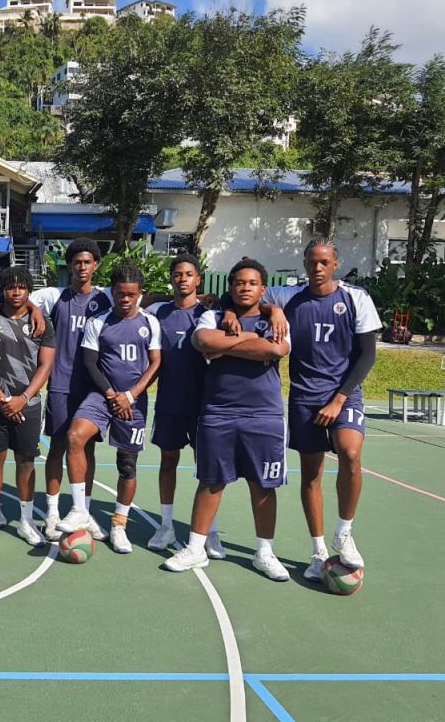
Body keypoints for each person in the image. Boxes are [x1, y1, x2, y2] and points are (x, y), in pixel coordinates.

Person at [255, 241, 380, 578]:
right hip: (304, 398)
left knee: (350, 453)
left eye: (324, 262)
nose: (318, 268)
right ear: (305, 263)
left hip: (343, 394)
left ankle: (344, 532)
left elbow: (367, 355)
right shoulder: (288, 296)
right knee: (311, 474)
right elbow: (249, 297)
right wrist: (273, 310)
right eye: (312, 262)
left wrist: (339, 399)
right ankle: (318, 551)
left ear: (335, 263)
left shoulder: (356, 298)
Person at [164, 259, 292, 581]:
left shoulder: (275, 319)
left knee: (263, 486)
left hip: (264, 414)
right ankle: (196, 548)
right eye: (239, 283)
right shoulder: (213, 316)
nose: (245, 288)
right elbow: (204, 342)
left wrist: (228, 345)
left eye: (252, 283)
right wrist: (251, 342)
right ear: (230, 287)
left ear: (263, 289)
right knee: (211, 482)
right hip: (218, 411)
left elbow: (277, 351)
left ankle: (265, 553)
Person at [67, 264, 161, 553]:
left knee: (127, 464)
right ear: (113, 292)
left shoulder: (150, 322)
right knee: (75, 437)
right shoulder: (99, 322)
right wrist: (111, 394)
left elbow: (156, 362)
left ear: (140, 293)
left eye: (131, 294)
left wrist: (131, 395)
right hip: (102, 396)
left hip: (133, 401)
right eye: (120, 294)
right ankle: (80, 510)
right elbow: (89, 362)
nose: (125, 299)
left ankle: (119, 525)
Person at [29, 238, 113, 541]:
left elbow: (142, 298)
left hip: (93, 388)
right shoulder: (55, 296)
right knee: (58, 447)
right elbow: (19, 296)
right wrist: (35, 311)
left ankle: (83, 511)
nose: (82, 267)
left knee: (87, 449)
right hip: (62, 384)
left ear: (96, 265)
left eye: (87, 262)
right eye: (77, 262)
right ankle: (52, 513)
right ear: (70, 265)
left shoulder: (107, 298)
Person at [143, 254, 224, 558]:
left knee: (208, 468)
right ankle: (166, 526)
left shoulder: (211, 315)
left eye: (189, 274)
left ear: (198, 279)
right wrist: (168, 297)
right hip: (169, 400)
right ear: (171, 278)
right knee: (168, 461)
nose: (183, 279)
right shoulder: (158, 312)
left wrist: (203, 301)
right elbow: (140, 299)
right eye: (177, 274)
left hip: (205, 403)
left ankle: (210, 532)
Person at [0, 266, 56, 546]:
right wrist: (2, 399)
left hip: (28, 405)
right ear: (3, 290)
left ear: (29, 290)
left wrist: (24, 398)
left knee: (26, 462)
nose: (16, 292)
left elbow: (46, 365)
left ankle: (26, 521)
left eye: (22, 287)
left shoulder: (42, 322)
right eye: (11, 287)